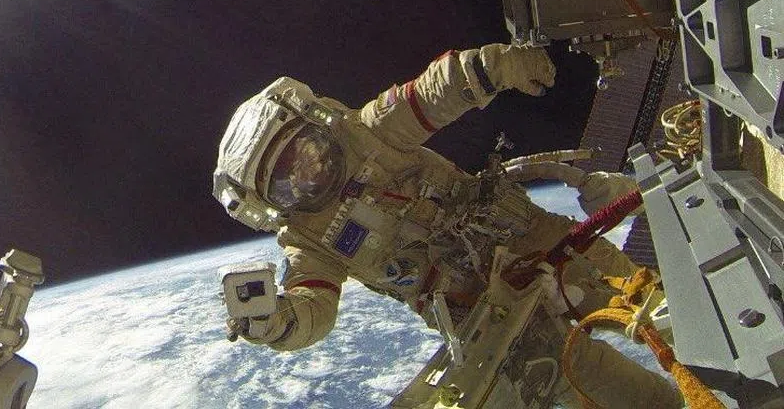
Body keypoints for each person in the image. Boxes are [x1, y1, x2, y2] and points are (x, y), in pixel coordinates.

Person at [212, 43, 682, 408]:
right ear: (276, 204)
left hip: (537, 242)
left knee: (660, 312)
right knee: (592, 380)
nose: (306, 173)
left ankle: (739, 358)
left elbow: (434, 90)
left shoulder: (371, 132)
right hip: (483, 316)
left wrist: (498, 65)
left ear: (317, 126)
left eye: (304, 152)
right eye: (287, 181)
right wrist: (277, 322)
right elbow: (314, 306)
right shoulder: (309, 241)